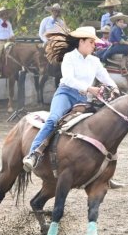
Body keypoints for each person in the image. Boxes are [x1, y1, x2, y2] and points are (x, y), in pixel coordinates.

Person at [23, 26, 119, 171]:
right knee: (53, 119)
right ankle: (33, 154)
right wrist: (89, 88)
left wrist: (115, 88)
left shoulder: (94, 61)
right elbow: (68, 79)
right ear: (82, 42)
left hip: (83, 99)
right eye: (92, 42)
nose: (95, 46)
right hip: (66, 94)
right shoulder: (69, 57)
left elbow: (105, 77)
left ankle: (103, 168)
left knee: (101, 127)